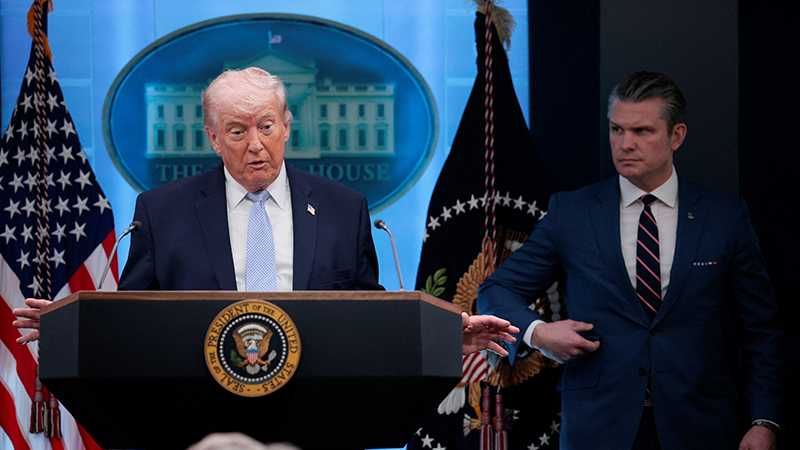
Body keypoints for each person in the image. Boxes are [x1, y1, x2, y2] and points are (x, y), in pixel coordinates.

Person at [12, 67, 517, 357]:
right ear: (213, 138)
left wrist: (444, 336)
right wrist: (74, 327)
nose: (256, 144)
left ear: (287, 127)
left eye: (267, 126)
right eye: (237, 131)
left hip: (317, 411)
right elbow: (132, 318)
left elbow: (371, 314)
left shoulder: (344, 209)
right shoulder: (162, 212)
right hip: (198, 413)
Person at [477, 71, 781, 450]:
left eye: (642, 131)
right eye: (617, 130)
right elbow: (496, 290)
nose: (625, 144)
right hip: (598, 428)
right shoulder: (572, 213)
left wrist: (764, 420)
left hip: (701, 425)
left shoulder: (724, 218)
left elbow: (760, 330)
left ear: (676, 136)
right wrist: (537, 333)